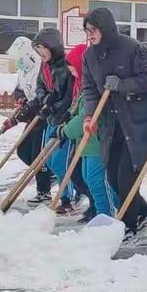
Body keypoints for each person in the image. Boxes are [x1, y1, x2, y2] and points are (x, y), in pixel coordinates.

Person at [82, 7, 147, 241]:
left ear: (105, 28)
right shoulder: (89, 57)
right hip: (110, 125)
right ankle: (145, 212)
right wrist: (89, 116)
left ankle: (129, 227)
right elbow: (89, 90)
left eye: (93, 30)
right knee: (113, 177)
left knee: (127, 177)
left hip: (137, 124)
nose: (90, 36)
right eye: (87, 31)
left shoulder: (131, 47)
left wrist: (122, 85)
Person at [53, 43, 119, 221]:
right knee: (88, 179)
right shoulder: (83, 86)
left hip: (96, 142)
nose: (72, 73)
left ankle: (107, 214)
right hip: (86, 142)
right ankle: (99, 212)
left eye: (73, 69)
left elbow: (85, 116)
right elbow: (78, 109)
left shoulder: (95, 88)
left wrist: (66, 131)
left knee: (98, 182)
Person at [30, 28, 78, 213]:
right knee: (47, 160)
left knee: (60, 162)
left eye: (42, 47)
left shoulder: (66, 67)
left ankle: (67, 198)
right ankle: (65, 187)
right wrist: (45, 100)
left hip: (64, 121)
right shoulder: (45, 66)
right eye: (37, 48)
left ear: (53, 47)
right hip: (50, 119)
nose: (40, 52)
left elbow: (69, 97)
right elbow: (40, 86)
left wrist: (55, 105)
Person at [2, 36, 54, 204]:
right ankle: (50, 173)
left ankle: (44, 190)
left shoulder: (41, 68)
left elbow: (40, 98)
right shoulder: (23, 70)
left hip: (43, 115)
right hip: (31, 114)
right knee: (23, 151)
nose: (18, 62)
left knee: (37, 154)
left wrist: (16, 120)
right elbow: (18, 89)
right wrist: (20, 97)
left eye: (20, 58)